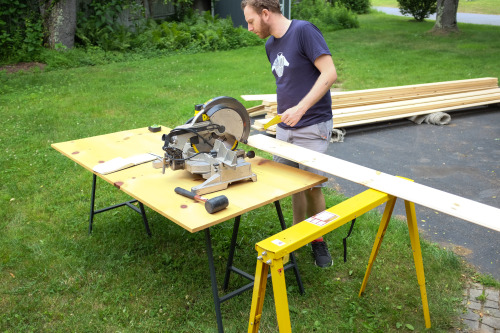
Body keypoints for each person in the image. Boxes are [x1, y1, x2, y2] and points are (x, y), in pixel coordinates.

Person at [241, 0, 338, 267]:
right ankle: (297, 236)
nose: (249, 28)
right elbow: (288, 81)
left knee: (312, 186)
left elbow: (329, 74)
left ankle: (319, 239)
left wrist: (301, 108)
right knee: (292, 184)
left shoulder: (304, 31)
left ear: (265, 13)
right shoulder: (270, 46)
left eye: (251, 21)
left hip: (312, 124)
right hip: (286, 126)